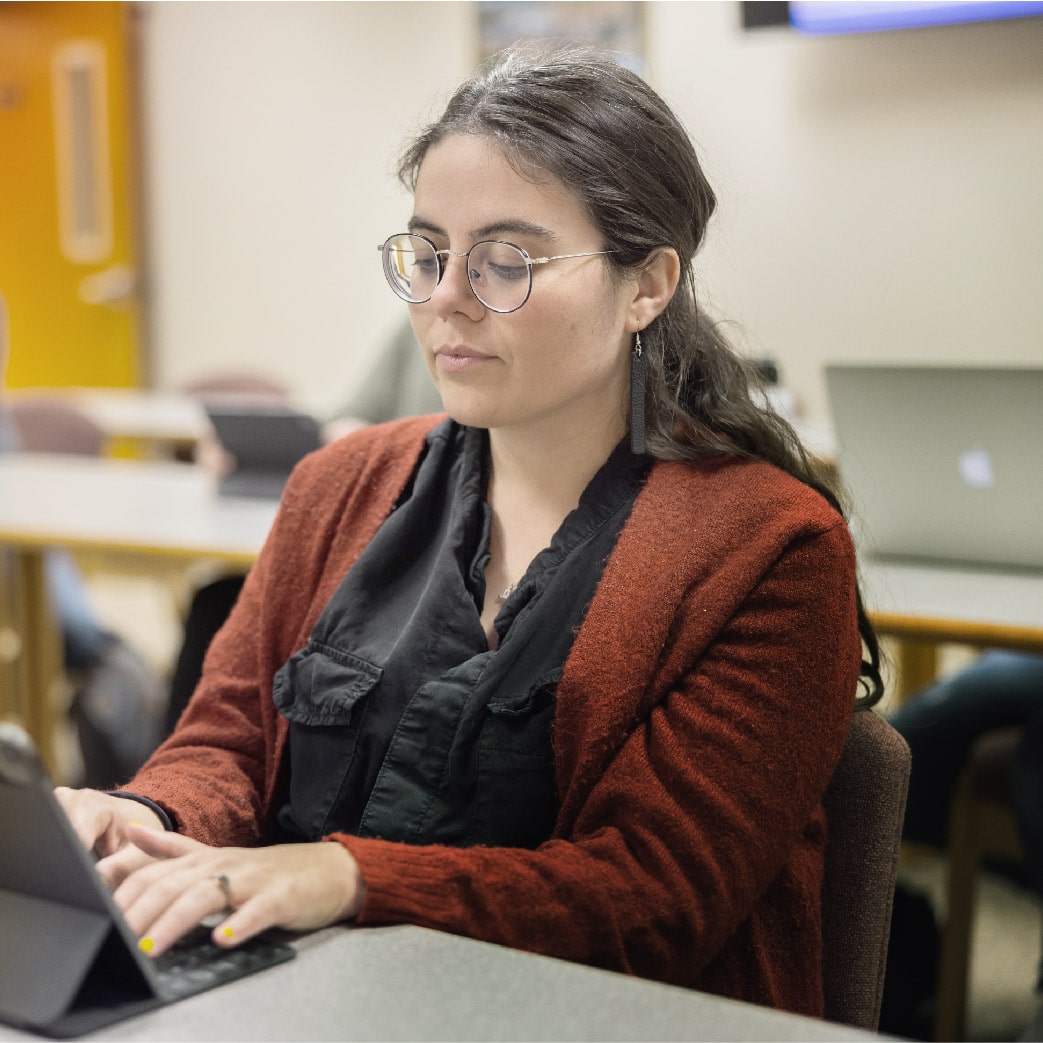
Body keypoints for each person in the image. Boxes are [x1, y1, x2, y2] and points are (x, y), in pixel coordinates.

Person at [56, 44, 883, 1017]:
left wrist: (342, 877)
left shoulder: (770, 547)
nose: (445, 297)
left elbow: (649, 895)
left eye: (504, 262)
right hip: (317, 995)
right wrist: (148, 815)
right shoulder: (341, 483)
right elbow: (227, 741)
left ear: (647, 284)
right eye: (427, 254)